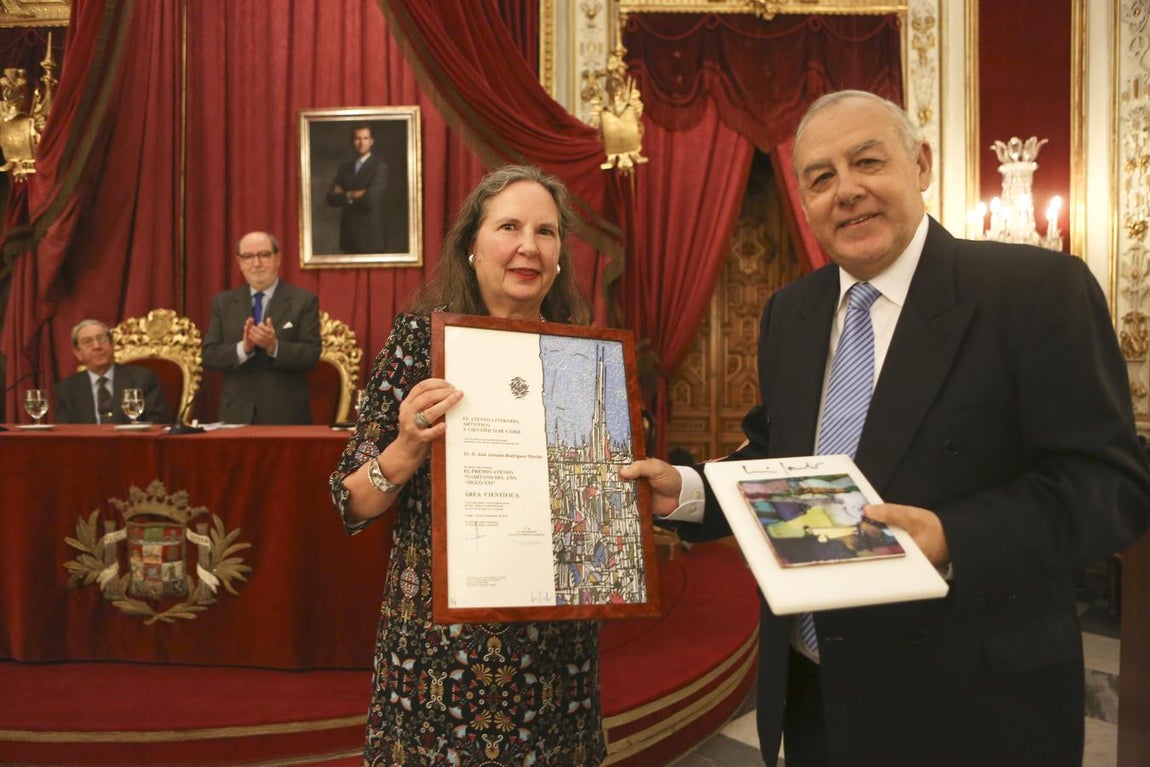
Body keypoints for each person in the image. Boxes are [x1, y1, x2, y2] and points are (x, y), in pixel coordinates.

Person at [620, 90, 1150, 767]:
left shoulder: (1035, 291)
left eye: (866, 161)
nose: (846, 191)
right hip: (816, 692)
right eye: (820, 177)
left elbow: (1112, 486)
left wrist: (953, 535)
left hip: (972, 708)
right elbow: (780, 459)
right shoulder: (793, 312)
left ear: (920, 163)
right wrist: (689, 491)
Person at [329, 165, 605, 766]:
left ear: (559, 256)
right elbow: (351, 502)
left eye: (547, 231)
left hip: (552, 650)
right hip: (434, 652)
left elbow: (598, 515)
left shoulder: (582, 359)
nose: (528, 246)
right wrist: (405, 446)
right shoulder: (416, 347)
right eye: (508, 226)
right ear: (472, 247)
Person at [201, 231, 321, 424]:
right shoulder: (222, 303)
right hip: (235, 415)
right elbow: (209, 355)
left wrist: (274, 346)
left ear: (277, 258)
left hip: (285, 415)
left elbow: (310, 355)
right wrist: (243, 348)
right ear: (239, 262)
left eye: (264, 255)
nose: (256, 263)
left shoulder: (303, 301)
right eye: (248, 257)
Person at [54, 319, 171, 424]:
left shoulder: (143, 379)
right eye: (87, 342)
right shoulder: (67, 390)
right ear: (78, 353)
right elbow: (64, 433)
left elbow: (159, 422)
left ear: (112, 345)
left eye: (102, 339)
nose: (97, 346)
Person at [325, 122, 389, 254]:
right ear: (353, 141)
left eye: (365, 138)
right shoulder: (345, 169)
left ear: (371, 141)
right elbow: (330, 198)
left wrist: (343, 196)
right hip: (348, 237)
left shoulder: (379, 167)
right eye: (357, 138)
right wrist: (352, 195)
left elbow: (370, 200)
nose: (361, 143)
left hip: (370, 237)